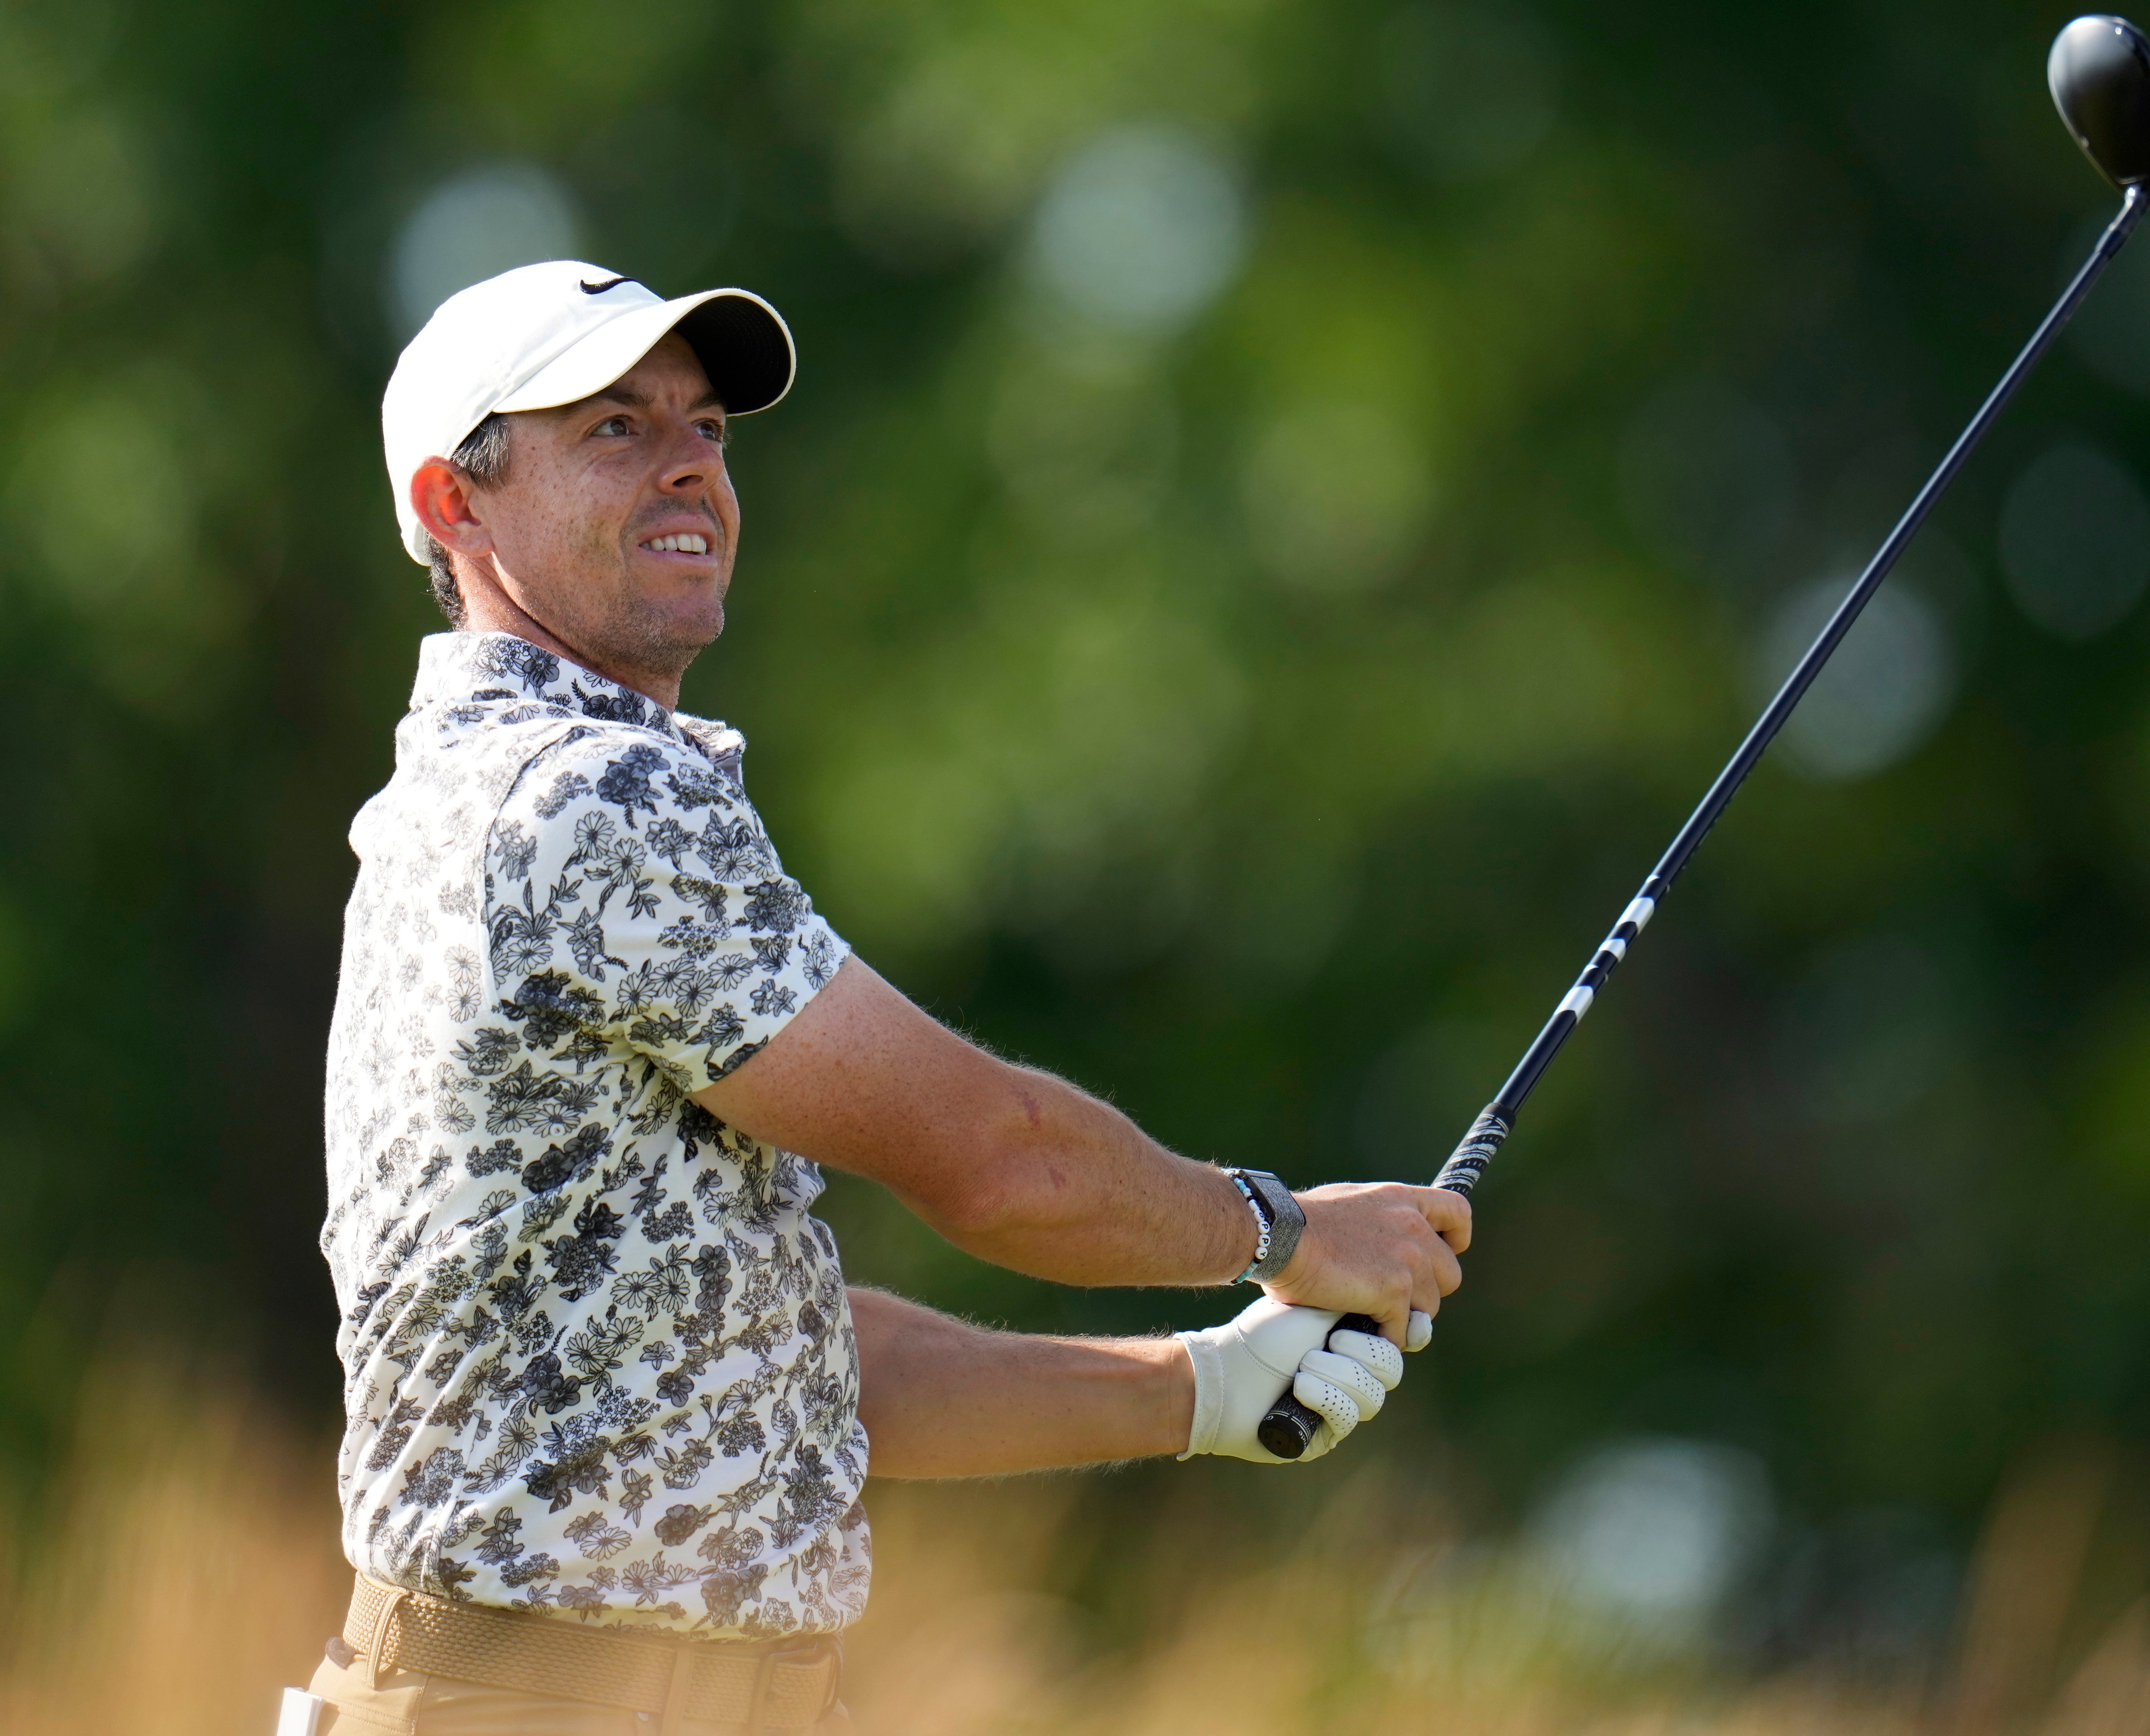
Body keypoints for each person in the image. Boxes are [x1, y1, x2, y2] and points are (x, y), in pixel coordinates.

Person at [290, 262, 1474, 1734]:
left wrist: (1205, 1388)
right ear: (456, 506)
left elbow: (759, 1357)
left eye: (707, 426)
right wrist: (1290, 1232)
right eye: (611, 427)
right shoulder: (581, 795)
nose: (687, 466)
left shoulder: (465, 796)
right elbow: (1003, 1162)